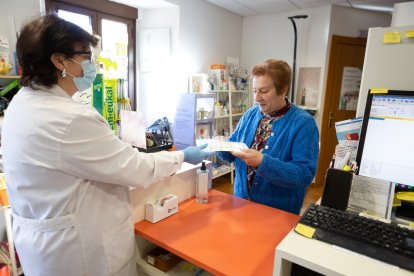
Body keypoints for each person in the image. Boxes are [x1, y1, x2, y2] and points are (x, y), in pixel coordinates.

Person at [1, 14, 211, 276]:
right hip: (81, 253)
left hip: (43, 247)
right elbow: (136, 168)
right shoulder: (69, 117)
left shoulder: (20, 103)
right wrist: (182, 156)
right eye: (85, 57)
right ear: (59, 60)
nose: (91, 66)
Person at [217, 59, 319, 214]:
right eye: (254, 91)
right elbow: (232, 153)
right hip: (241, 205)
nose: (257, 98)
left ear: (283, 90)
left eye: (263, 91)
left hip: (277, 213)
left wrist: (262, 162)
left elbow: (304, 174)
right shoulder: (250, 114)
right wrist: (220, 146)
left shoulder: (304, 124)